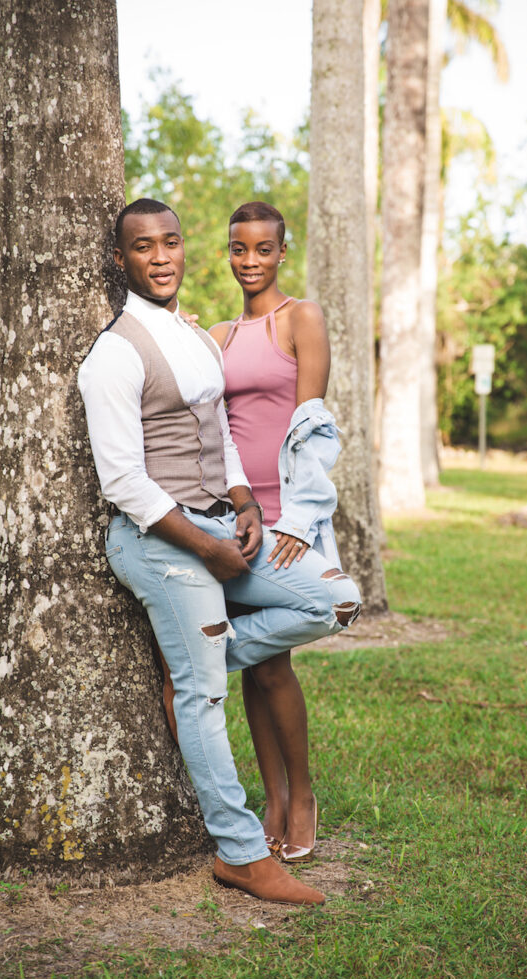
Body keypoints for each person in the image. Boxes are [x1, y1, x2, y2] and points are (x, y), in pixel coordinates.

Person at [78, 198, 361, 907]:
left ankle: (202, 655)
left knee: (336, 599)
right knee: (203, 698)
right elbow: (124, 485)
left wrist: (242, 506)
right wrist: (207, 545)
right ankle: (241, 854)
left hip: (226, 525)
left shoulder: (199, 339)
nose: (161, 256)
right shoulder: (113, 354)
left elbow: (224, 433)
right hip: (162, 542)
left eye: (170, 242)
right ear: (122, 260)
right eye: (143, 247)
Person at [164, 201, 343, 866]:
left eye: (262, 249)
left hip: (288, 515)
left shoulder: (301, 318)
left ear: (281, 252)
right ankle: (272, 800)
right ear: (228, 252)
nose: (249, 261)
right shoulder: (217, 333)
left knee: (283, 657)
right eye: (238, 249)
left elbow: (315, 425)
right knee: (261, 667)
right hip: (232, 516)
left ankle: (302, 799)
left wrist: (298, 518)